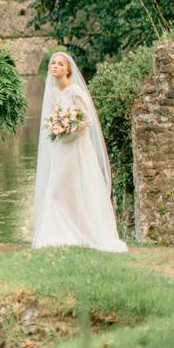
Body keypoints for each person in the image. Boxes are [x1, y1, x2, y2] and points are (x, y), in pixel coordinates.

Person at [31, 52, 128, 252]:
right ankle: (67, 232)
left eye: (60, 64)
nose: (55, 66)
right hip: (60, 148)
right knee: (63, 190)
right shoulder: (52, 93)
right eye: (53, 63)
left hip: (76, 147)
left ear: (68, 69)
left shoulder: (75, 90)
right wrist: (58, 127)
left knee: (61, 190)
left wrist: (70, 129)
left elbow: (88, 120)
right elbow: (52, 119)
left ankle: (83, 231)